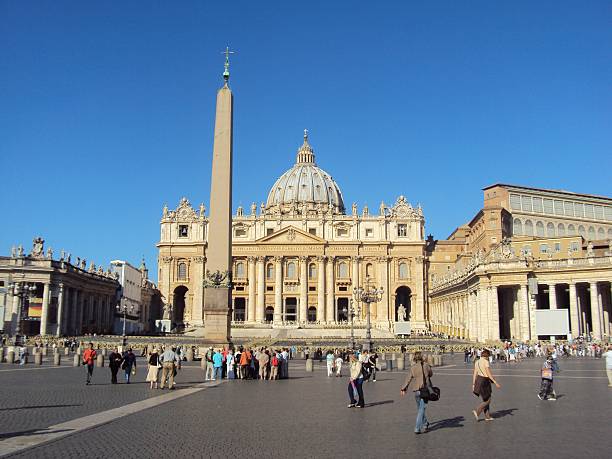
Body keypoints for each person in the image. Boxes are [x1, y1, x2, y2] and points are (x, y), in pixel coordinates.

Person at [400, 352, 433, 434]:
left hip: (416, 391)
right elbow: (431, 374)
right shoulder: (426, 365)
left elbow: (408, 379)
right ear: (421, 357)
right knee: (421, 409)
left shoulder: (413, 368)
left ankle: (425, 423)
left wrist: (403, 388)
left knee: (420, 409)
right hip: (424, 390)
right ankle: (417, 428)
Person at [472, 349, 501, 421]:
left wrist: (473, 384)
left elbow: (475, 373)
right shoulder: (485, 362)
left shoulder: (477, 361)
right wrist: (495, 382)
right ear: (487, 355)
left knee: (485, 398)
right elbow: (488, 373)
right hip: (484, 381)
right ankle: (477, 411)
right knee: (488, 400)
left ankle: (487, 416)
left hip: (478, 380)